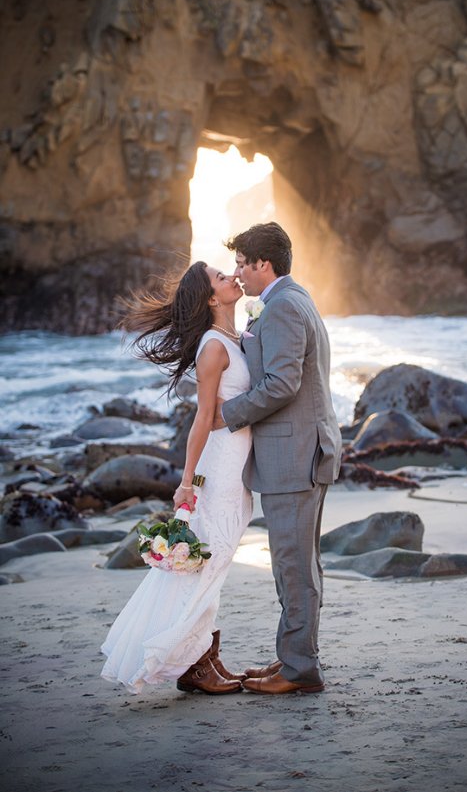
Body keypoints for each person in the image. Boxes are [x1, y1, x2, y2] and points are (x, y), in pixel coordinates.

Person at [101, 261, 253, 695]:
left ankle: (203, 658)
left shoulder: (234, 339)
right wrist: (187, 482)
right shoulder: (213, 348)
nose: (231, 277)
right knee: (211, 559)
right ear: (210, 298)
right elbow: (202, 419)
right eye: (220, 278)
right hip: (218, 466)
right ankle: (193, 664)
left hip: (236, 465)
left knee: (215, 560)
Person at [216, 221, 342, 695]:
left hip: (296, 456)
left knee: (294, 564)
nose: (238, 274)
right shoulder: (291, 300)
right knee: (295, 561)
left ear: (262, 264)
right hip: (300, 452)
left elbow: (283, 384)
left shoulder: (284, 307)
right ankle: (292, 657)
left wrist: (225, 415)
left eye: (242, 265)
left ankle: (299, 669)